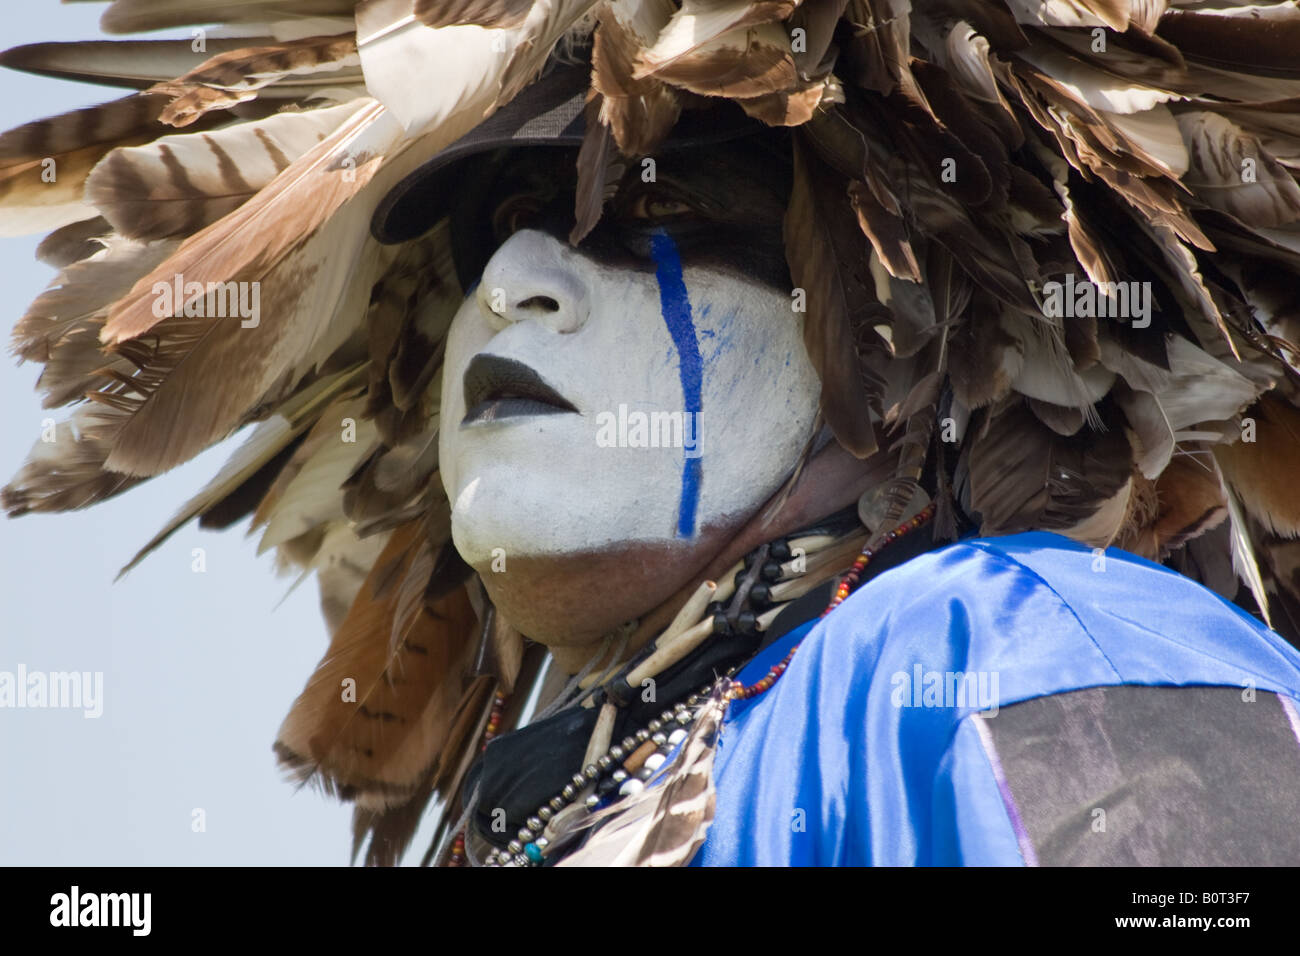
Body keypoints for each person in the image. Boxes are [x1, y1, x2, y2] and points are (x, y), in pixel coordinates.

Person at [4, 1, 1300, 867]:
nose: (512, 279)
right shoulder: (536, 813)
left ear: (894, 335)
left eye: (657, 210)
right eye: (485, 235)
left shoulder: (1004, 645)